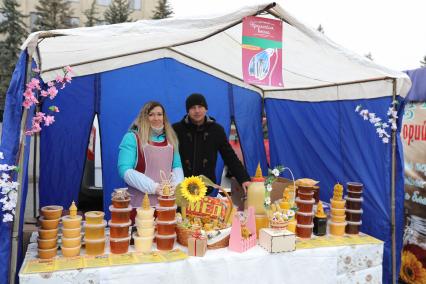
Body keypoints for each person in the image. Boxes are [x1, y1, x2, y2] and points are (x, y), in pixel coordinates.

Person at [173, 93, 251, 196]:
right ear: (188, 111)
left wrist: (244, 179)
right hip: (180, 188)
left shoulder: (216, 130)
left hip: (205, 189)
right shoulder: (176, 129)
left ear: (206, 109)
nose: (197, 111)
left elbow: (230, 157)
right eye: (193, 107)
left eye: (200, 107)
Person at [118, 101, 184, 207]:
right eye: (151, 114)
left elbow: (177, 166)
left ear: (164, 117)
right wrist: (154, 187)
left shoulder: (171, 139)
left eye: (159, 114)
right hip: (140, 206)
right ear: (144, 117)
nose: (156, 118)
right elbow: (124, 170)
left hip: (166, 205)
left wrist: (175, 187)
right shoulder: (132, 138)